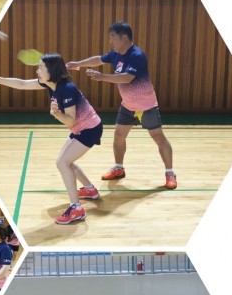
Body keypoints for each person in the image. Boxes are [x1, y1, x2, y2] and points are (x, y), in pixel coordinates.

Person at [0, 53, 103, 225]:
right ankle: (89, 190)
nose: (37, 71)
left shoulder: (66, 89)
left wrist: (56, 113)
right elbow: (21, 84)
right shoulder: (50, 84)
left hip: (89, 129)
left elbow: (70, 120)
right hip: (81, 128)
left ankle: (77, 209)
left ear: (51, 70)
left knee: (62, 162)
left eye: (40, 67)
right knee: (66, 161)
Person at [67, 20, 177, 189]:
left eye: (113, 37)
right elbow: (99, 59)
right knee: (119, 136)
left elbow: (127, 78)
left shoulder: (137, 55)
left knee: (158, 137)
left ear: (124, 37)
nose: (110, 41)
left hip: (146, 106)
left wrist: (102, 77)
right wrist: (78, 64)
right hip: (128, 106)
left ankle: (170, 173)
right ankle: (119, 168)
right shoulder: (115, 54)